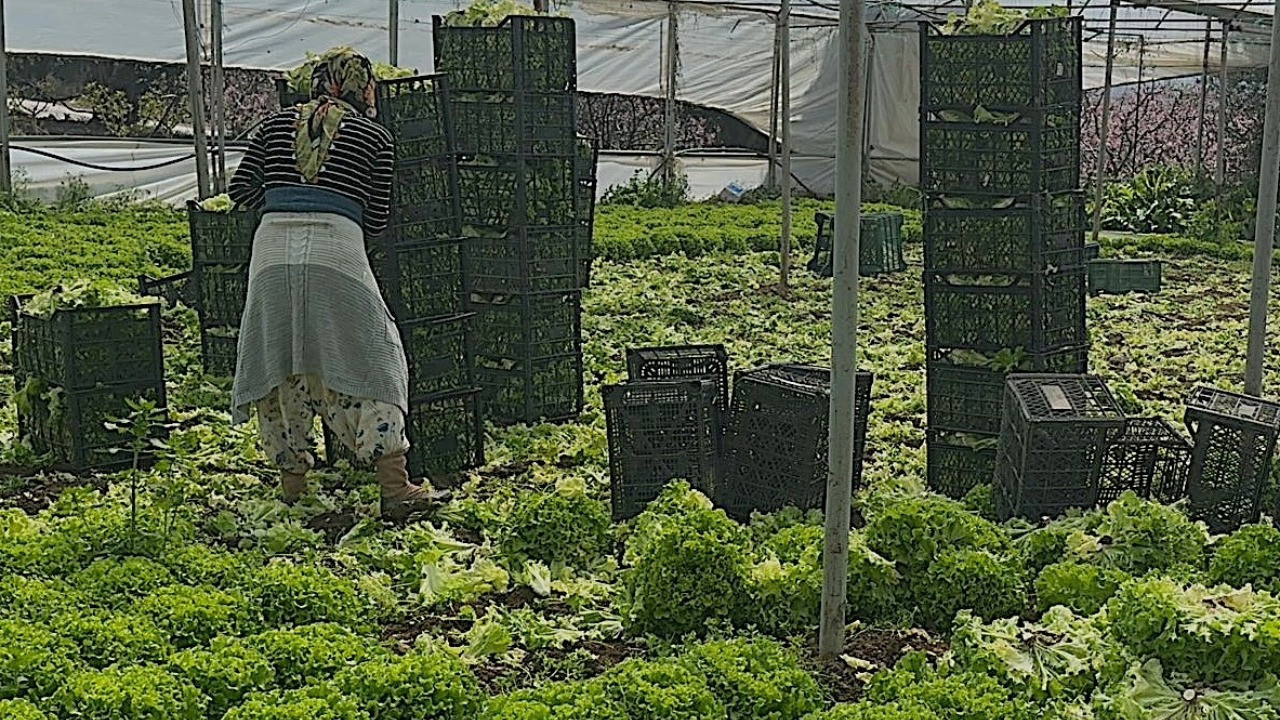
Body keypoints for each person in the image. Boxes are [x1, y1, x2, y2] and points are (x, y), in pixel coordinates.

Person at [227, 47, 440, 519]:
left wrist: (286, 199)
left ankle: (293, 488)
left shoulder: (274, 126)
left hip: (271, 255)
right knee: (378, 360)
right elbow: (379, 217)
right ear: (366, 88)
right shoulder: (374, 137)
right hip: (336, 251)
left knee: (282, 362)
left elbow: (239, 191)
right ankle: (394, 485)